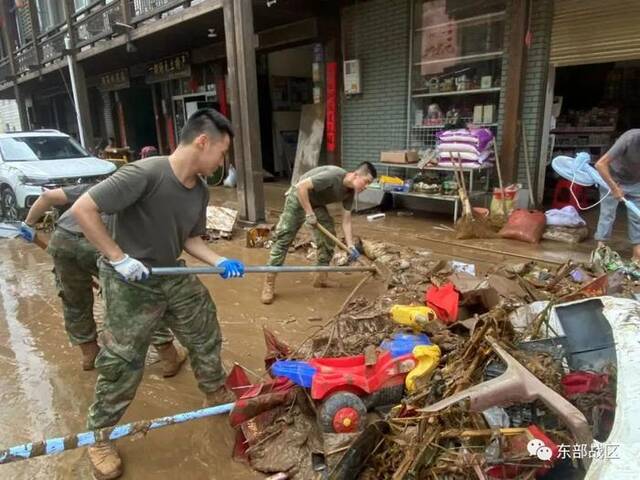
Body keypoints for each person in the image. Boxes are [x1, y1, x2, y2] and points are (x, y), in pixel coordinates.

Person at [71, 108, 244, 480]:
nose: (221, 161)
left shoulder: (199, 190)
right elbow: (84, 208)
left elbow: (190, 239)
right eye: (222, 152)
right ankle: (99, 435)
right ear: (203, 142)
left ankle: (215, 392)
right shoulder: (145, 173)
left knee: (205, 331)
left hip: (169, 272)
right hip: (129, 278)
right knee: (123, 361)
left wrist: (219, 260)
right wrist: (118, 258)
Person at [19, 185, 185, 375]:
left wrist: (28, 224)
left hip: (63, 240)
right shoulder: (141, 192)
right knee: (140, 298)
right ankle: (169, 356)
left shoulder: (97, 187)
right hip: (101, 242)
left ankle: (90, 355)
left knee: (74, 300)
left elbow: (47, 196)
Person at [260, 162, 377, 304]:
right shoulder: (333, 176)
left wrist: (350, 245)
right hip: (297, 198)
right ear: (355, 175)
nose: (366, 187)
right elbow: (301, 187)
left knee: (329, 236)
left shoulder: (349, 193)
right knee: (284, 238)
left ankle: (321, 277)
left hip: (315, 203)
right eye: (366, 182)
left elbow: (346, 220)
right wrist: (309, 214)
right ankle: (269, 282)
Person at [595, 129, 640, 260]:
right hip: (612, 177)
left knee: (637, 216)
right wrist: (614, 188)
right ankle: (600, 250)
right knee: (607, 214)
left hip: (636, 182)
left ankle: (637, 254)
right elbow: (600, 164)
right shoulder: (630, 138)